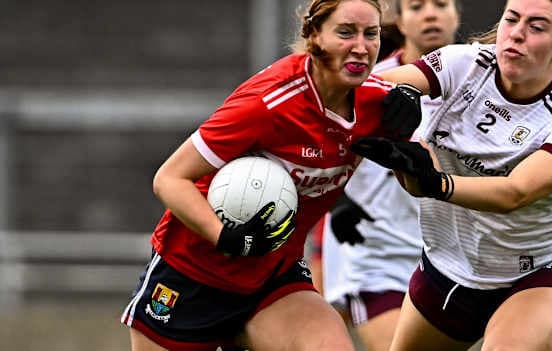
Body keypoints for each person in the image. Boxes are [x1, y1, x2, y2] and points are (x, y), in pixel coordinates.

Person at [119, 0, 422, 350]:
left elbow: (451, 74)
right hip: (191, 277)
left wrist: (417, 152)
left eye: (371, 34)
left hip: (273, 278)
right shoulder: (268, 103)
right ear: (314, 36)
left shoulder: (377, 104)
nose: (361, 46)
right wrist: (225, 237)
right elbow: (169, 179)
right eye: (345, 32)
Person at [350, 0, 552, 350]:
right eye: (511, 19)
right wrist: (393, 98)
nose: (516, 33)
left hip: (538, 274)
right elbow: (365, 92)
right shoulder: (464, 63)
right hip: (447, 269)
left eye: (537, 27)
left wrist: (438, 184)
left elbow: (516, 192)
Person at [319, 1, 461, 350]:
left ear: (456, 14)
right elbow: (311, 138)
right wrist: (338, 200)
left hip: (454, 260)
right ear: (397, 20)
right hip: (376, 256)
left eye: (441, 4)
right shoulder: (368, 82)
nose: (430, 14)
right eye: (416, 7)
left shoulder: (482, 84)